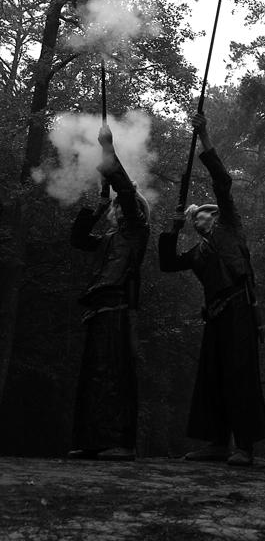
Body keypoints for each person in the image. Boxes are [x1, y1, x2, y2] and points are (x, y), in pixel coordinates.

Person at [158, 113, 265, 466]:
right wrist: (173, 230)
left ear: (214, 215)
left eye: (200, 215)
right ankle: (217, 443)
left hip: (240, 309)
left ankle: (245, 446)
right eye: (193, 218)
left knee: (240, 374)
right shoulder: (197, 252)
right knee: (213, 376)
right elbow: (168, 264)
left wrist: (204, 135)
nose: (196, 219)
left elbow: (222, 180)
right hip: (216, 316)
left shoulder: (230, 225)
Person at [67, 124, 149, 461]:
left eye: (120, 207)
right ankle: (93, 441)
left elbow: (126, 192)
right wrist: (101, 205)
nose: (118, 209)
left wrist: (107, 149)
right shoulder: (107, 240)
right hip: (98, 311)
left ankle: (122, 443)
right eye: (115, 209)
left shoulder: (137, 231)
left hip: (118, 309)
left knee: (116, 374)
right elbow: (77, 239)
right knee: (95, 376)